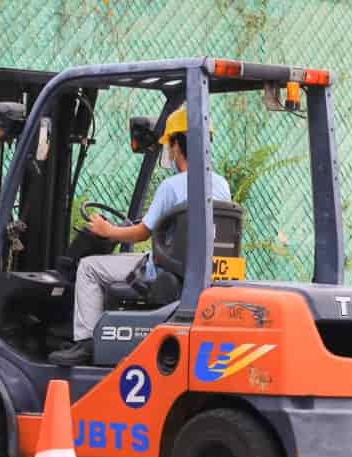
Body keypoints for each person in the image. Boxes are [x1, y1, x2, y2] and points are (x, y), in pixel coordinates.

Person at [49, 105, 232, 366]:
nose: (169, 151)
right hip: (200, 268)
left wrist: (107, 230)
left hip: (167, 270)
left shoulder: (172, 186)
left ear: (177, 144)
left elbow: (141, 232)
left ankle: (86, 342)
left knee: (89, 267)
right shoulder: (221, 184)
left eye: (169, 144)